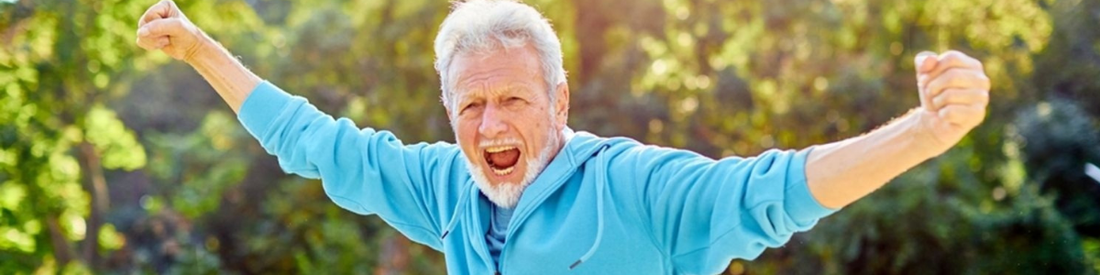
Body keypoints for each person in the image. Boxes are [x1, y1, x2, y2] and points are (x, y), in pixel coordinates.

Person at [135, 0, 991, 274]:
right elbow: (312, 141)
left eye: (512, 100)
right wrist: (201, 48)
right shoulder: (445, 192)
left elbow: (771, 190)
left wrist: (922, 131)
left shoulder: (637, 188)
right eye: (470, 108)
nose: (492, 125)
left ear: (561, 99)